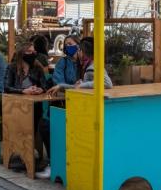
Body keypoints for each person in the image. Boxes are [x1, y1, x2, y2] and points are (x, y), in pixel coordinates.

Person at [37, 38, 113, 179]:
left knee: (53, 126)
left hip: (81, 105)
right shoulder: (64, 63)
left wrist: (81, 84)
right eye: (66, 45)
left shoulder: (86, 65)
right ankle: (55, 162)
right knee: (46, 124)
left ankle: (61, 163)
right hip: (65, 101)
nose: (69, 48)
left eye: (72, 45)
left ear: (80, 49)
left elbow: (104, 83)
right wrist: (73, 85)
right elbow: (59, 82)